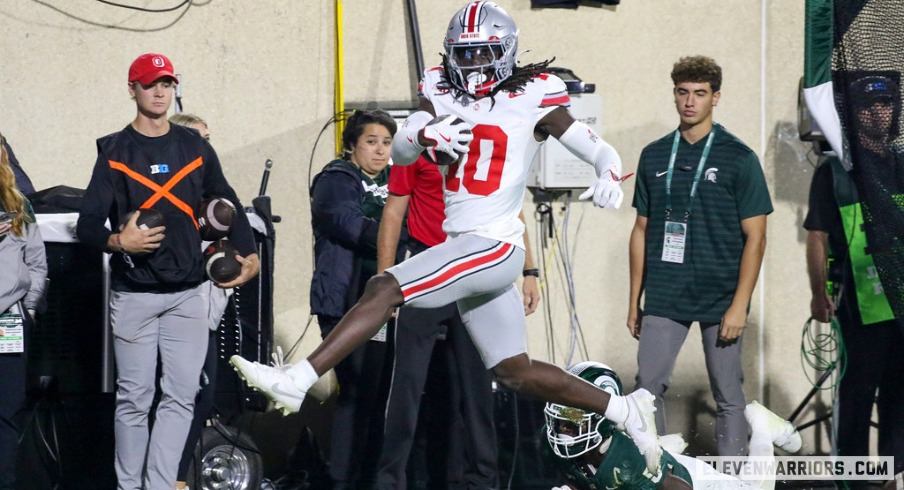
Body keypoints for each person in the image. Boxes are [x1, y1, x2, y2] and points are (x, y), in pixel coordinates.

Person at [231, 1, 663, 474]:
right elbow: (401, 147)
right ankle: (626, 408)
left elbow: (592, 145)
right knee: (513, 371)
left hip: (493, 246)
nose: (473, 64)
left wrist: (609, 172)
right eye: (465, 53)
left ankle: (298, 377)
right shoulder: (439, 86)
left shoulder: (534, 92)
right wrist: (425, 136)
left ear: (505, 51)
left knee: (386, 287)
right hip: (464, 244)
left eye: (483, 53)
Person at [76, 53, 260, 490]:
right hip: (135, 293)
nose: (160, 91)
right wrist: (119, 242)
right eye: (150, 84)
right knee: (134, 400)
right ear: (133, 89)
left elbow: (227, 201)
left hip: (188, 293)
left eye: (167, 83)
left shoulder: (194, 146)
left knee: (180, 398)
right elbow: (86, 225)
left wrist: (250, 257)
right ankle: (129, 486)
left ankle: (159, 486)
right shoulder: (115, 151)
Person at [626, 55, 773, 456]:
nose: (690, 101)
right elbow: (640, 230)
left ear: (716, 98)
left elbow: (756, 238)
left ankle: (735, 481)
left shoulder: (738, 157)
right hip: (665, 293)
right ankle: (652, 476)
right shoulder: (654, 155)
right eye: (683, 92)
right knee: (646, 391)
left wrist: (740, 305)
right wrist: (634, 300)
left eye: (700, 94)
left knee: (728, 393)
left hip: (721, 295)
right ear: (674, 95)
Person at [374, 153, 541, 489]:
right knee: (406, 386)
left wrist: (530, 271)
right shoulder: (418, 147)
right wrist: (384, 283)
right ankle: (389, 482)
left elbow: (510, 210)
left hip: (476, 271)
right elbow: (393, 212)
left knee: (478, 388)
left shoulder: (489, 143)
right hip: (428, 267)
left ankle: (483, 481)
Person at [804, 74, 904, 489]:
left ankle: (895, 478)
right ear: (852, 113)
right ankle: (854, 484)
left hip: (901, 312)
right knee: (856, 403)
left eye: (884, 104)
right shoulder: (835, 172)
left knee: (899, 404)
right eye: (866, 106)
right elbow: (817, 237)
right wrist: (817, 294)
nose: (876, 112)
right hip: (858, 309)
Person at [309, 109, 397, 488]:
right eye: (371, 142)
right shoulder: (335, 179)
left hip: (385, 303)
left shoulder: (397, 179)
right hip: (345, 302)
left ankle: (371, 477)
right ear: (351, 147)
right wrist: (399, 233)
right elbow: (348, 223)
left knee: (380, 396)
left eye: (387, 143)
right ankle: (341, 479)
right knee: (355, 393)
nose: (380, 151)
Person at [543, 361, 801, 490]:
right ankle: (662, 449)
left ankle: (764, 431)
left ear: (602, 418)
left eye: (573, 419)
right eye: (559, 417)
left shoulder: (625, 462)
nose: (562, 427)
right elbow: (581, 478)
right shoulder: (555, 442)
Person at [166, 112, 226, 490]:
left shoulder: (216, 198)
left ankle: (179, 478)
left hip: (207, 318)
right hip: (173, 318)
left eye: (208, 138)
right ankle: (166, 477)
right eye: (197, 139)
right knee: (170, 401)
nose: (205, 146)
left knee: (203, 401)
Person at [0, 133, 47, 490]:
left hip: (9, 320)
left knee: (7, 410)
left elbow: (37, 263)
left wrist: (28, 308)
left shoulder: (18, 204)